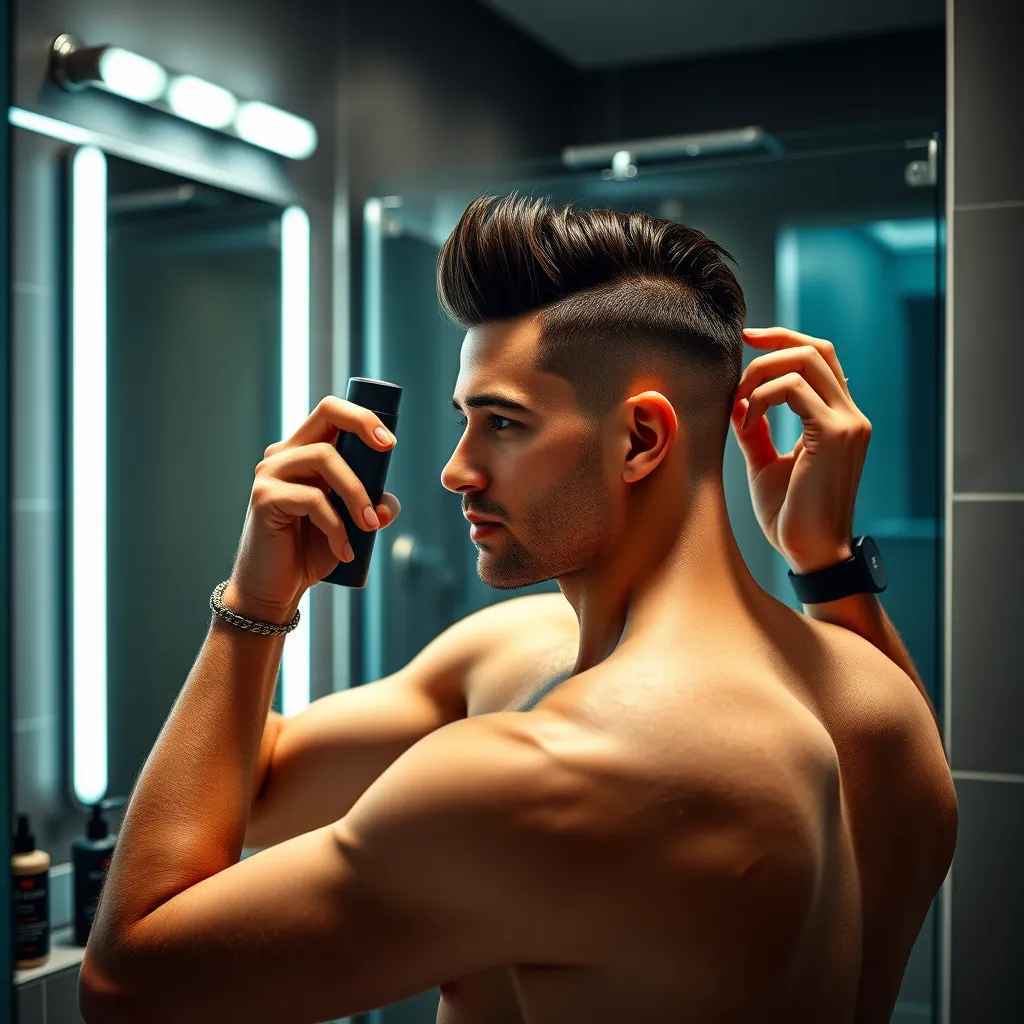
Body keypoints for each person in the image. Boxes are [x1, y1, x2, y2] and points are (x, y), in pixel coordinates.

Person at [80, 195, 957, 1024]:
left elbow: (127, 984)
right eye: (468, 420)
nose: (456, 470)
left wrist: (256, 603)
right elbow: (258, 781)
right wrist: (823, 562)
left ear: (643, 438)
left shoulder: (558, 767)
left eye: (501, 423)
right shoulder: (877, 710)